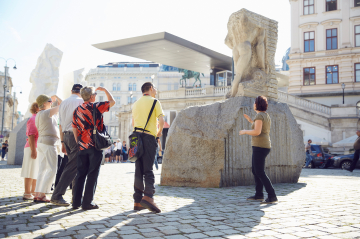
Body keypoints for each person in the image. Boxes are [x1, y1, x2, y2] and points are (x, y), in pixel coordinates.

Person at [72, 86, 115, 210]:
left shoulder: (77, 110)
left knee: (80, 174)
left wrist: (78, 142)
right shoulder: (96, 106)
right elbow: (112, 102)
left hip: (82, 145)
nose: (95, 96)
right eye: (95, 94)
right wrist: (106, 90)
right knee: (92, 174)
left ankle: (76, 202)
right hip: (95, 145)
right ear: (91, 96)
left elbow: (74, 127)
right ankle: (87, 203)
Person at [132, 82, 164, 213]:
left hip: (135, 137)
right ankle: (149, 197)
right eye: (155, 87)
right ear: (150, 88)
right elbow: (161, 121)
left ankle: (137, 201)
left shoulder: (136, 103)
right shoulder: (155, 102)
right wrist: (159, 132)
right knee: (148, 169)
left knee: (138, 170)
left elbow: (133, 122)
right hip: (148, 137)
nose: (155, 90)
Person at [239, 96, 278, 204]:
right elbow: (259, 127)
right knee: (256, 171)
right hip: (261, 146)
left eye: (254, 102)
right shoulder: (263, 115)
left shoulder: (260, 116)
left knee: (260, 172)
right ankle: (259, 195)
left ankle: (272, 196)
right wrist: (251, 120)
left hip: (260, 146)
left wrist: (245, 131)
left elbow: (257, 132)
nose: (253, 104)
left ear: (257, 104)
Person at [51, 84, 84, 206]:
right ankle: (57, 195)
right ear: (81, 91)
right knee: (72, 167)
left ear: (71, 91)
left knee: (75, 167)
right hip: (76, 135)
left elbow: (60, 124)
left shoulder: (64, 102)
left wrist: (63, 141)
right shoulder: (81, 101)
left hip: (66, 135)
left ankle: (76, 198)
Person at [34, 94, 62, 203]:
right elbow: (63, 105)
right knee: (52, 169)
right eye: (49, 101)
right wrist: (57, 97)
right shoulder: (46, 113)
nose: (51, 102)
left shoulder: (39, 114)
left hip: (41, 143)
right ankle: (42, 194)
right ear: (44, 103)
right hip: (49, 143)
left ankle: (37, 194)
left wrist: (53, 100)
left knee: (42, 169)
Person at [20, 103, 40, 200]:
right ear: (36, 108)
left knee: (35, 170)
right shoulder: (33, 119)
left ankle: (33, 191)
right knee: (29, 170)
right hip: (32, 147)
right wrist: (33, 150)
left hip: (36, 147)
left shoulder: (37, 118)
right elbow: (31, 135)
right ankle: (27, 193)